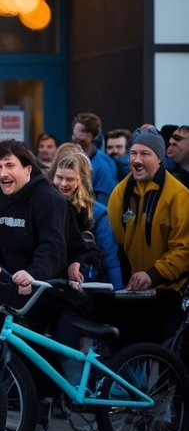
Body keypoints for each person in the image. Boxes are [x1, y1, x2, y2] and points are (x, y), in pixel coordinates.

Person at [0, 140, 93, 431]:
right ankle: (24, 426)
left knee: (54, 358)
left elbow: (53, 247)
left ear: (27, 169)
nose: (3, 173)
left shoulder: (48, 199)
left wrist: (35, 273)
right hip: (18, 292)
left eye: (9, 166)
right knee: (16, 357)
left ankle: (52, 419)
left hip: (56, 291)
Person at [106, 126, 189, 343]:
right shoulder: (120, 194)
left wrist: (152, 274)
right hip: (133, 292)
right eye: (133, 153)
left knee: (162, 360)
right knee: (128, 355)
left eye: (145, 154)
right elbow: (118, 241)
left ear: (159, 158)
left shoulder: (179, 196)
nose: (137, 159)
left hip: (168, 292)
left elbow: (184, 249)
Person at [51, 151, 122, 288]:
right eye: (59, 177)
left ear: (80, 180)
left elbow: (110, 259)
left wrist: (117, 294)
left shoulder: (96, 213)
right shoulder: (45, 206)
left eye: (70, 179)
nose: (63, 184)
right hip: (51, 284)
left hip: (86, 285)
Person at [71, 112, 118, 204]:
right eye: (74, 132)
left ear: (91, 135)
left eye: (81, 132)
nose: (75, 136)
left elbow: (103, 203)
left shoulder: (104, 165)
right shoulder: (70, 157)